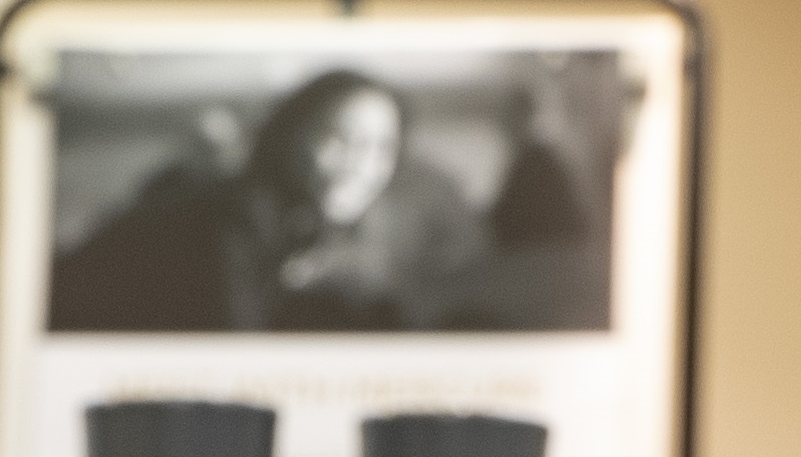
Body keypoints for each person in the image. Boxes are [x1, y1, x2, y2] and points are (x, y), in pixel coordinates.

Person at [52, 69, 489, 332]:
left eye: (381, 148)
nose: (362, 164)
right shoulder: (233, 218)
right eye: (338, 138)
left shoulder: (315, 228)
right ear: (289, 136)